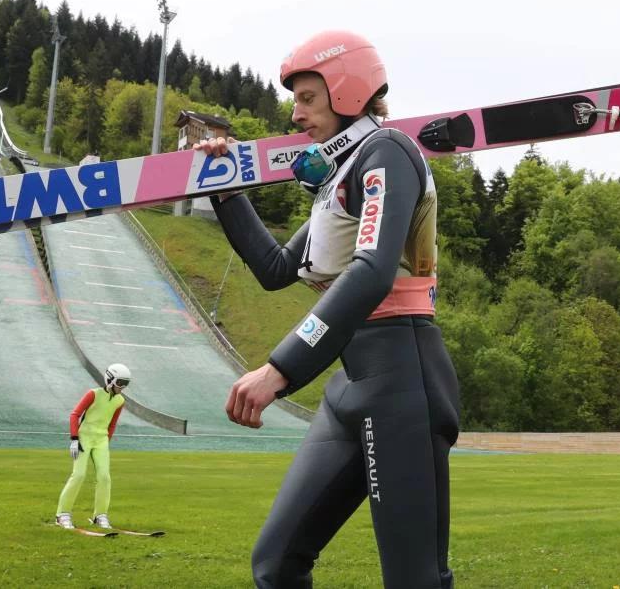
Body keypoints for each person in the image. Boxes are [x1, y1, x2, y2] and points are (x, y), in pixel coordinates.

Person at [193, 30, 461, 588]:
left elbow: (372, 270)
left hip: (402, 381)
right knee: (276, 565)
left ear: (348, 91)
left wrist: (280, 369)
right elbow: (275, 269)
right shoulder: (338, 179)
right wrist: (226, 187)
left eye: (307, 98)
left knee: (415, 581)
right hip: (353, 382)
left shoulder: (386, 152)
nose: (295, 115)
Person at [54, 363, 131, 530]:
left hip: (101, 441)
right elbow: (75, 415)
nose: (123, 387)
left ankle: (100, 515)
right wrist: (74, 439)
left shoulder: (120, 400)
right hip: (84, 438)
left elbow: (112, 424)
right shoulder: (93, 394)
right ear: (110, 380)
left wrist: (106, 441)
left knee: (104, 477)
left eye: (126, 383)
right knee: (79, 475)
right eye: (120, 383)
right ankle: (62, 514)